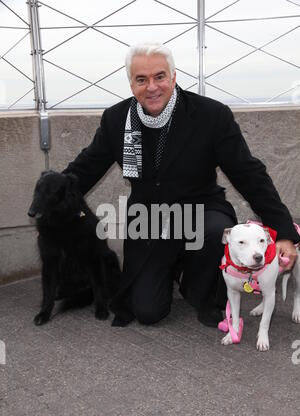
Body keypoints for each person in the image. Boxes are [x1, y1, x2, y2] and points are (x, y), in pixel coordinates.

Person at [63, 42, 299, 328]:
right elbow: (85, 168)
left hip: (202, 209)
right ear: (131, 84)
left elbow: (249, 174)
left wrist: (284, 231)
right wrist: (48, 195)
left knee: (215, 233)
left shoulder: (211, 115)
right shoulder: (117, 120)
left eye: (159, 76)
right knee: (148, 312)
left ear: (173, 77)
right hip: (149, 220)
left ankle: (198, 286)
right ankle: (170, 266)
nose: (152, 87)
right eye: (141, 79)